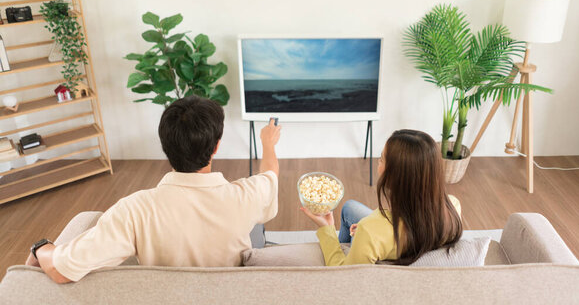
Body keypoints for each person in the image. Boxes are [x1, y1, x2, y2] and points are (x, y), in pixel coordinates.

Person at [25, 96, 282, 283]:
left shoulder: (134, 210)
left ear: (165, 146)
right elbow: (269, 176)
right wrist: (267, 142)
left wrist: (41, 248)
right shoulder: (245, 197)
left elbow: (60, 270)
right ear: (216, 147)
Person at [301, 129, 462, 266]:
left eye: (382, 158)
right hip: (398, 239)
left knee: (350, 212)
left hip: (379, 238)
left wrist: (326, 228)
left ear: (394, 176)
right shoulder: (452, 206)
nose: (378, 162)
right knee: (349, 208)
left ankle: (347, 248)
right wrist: (370, 229)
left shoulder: (371, 230)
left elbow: (344, 274)